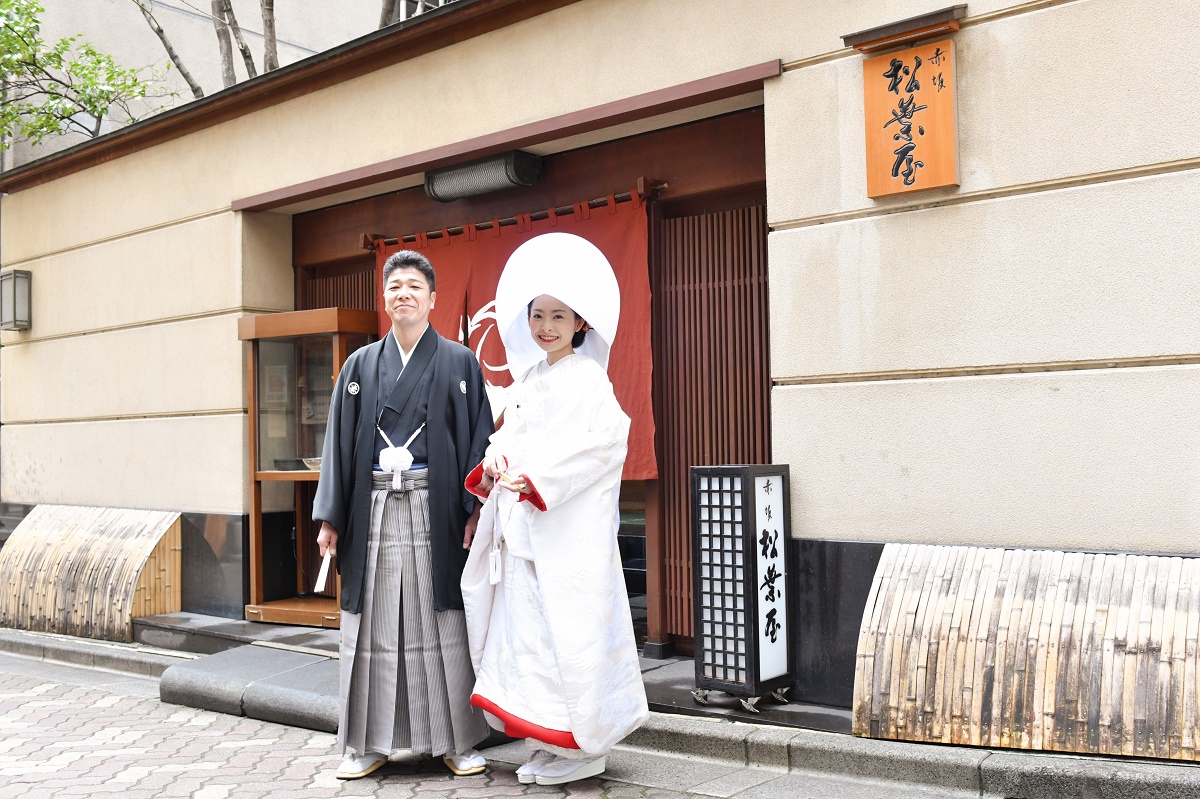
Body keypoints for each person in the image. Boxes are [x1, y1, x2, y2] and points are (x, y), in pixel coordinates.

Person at [461, 233, 649, 787]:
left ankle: (581, 747)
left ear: (579, 324)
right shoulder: (531, 379)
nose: (547, 326)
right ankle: (549, 742)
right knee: (528, 642)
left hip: (564, 535)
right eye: (538, 315)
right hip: (524, 531)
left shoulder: (592, 380)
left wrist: (540, 481)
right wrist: (497, 464)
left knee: (568, 639)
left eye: (558, 316)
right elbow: (509, 437)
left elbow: (608, 442)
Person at [313, 250, 495, 781]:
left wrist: (473, 509)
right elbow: (337, 445)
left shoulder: (460, 362)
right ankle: (368, 745)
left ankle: (457, 740)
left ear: (433, 299)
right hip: (371, 507)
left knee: (443, 620)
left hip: (434, 505)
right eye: (394, 287)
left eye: (415, 286)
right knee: (371, 622)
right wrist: (330, 516)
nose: (404, 295)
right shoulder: (359, 366)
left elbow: (477, 441)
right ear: (384, 298)